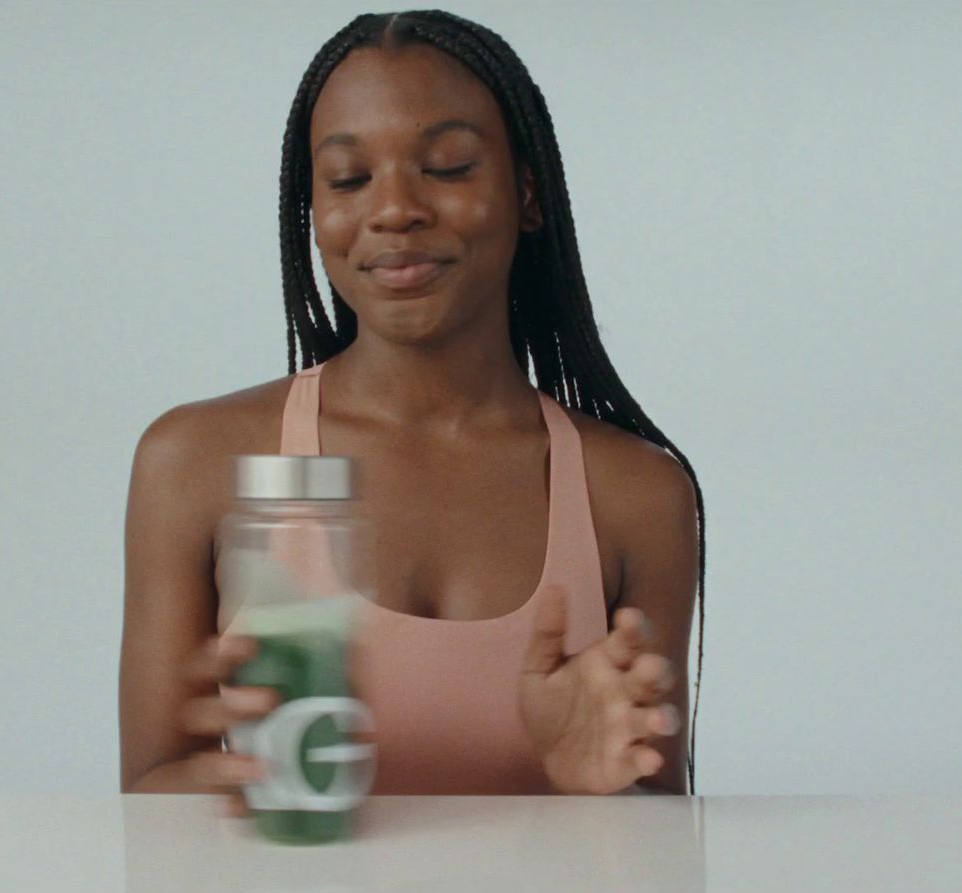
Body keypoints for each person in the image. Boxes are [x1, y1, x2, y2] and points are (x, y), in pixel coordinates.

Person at [119, 9, 705, 802]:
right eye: (350, 179)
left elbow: (663, 847)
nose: (394, 209)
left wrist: (590, 788)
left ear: (528, 191)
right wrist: (253, 781)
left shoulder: (638, 495)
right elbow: (146, 809)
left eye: (450, 166)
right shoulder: (192, 464)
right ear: (313, 214)